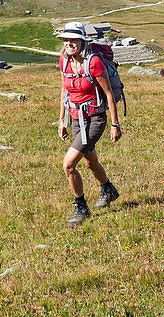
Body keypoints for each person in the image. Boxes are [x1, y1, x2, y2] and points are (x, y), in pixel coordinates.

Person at [56, 21, 121, 227]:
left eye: (73, 40)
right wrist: (62, 120)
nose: (69, 43)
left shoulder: (93, 62)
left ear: (82, 41)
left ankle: (80, 206)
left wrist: (114, 124)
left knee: (68, 164)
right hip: (76, 118)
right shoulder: (64, 62)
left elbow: (109, 93)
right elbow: (65, 92)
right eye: (66, 40)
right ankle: (108, 189)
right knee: (90, 162)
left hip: (95, 119)